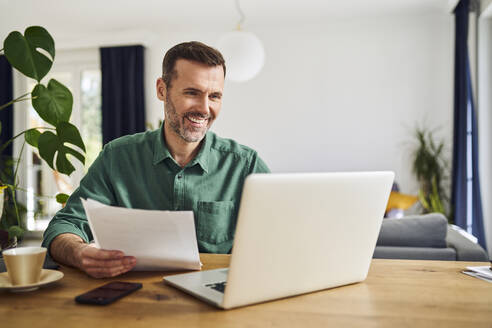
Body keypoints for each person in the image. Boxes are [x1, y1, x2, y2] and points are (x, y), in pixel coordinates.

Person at [41, 41, 270, 278]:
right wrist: (78, 253)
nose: (204, 108)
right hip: (135, 300)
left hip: (218, 298)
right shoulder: (117, 157)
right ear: (162, 90)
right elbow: (64, 226)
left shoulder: (246, 165)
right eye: (192, 92)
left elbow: (283, 234)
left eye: (214, 96)